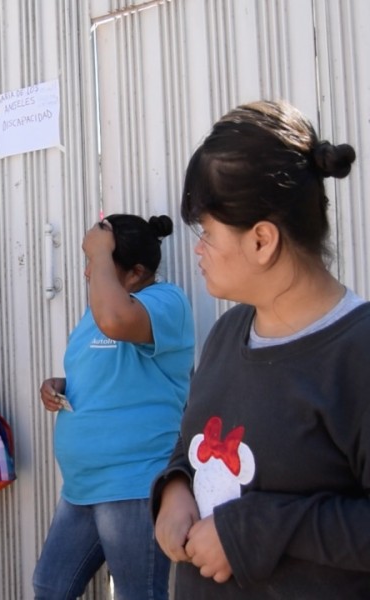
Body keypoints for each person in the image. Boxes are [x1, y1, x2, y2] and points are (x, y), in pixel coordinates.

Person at [152, 100, 370, 598]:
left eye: (206, 232)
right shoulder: (228, 334)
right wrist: (174, 489)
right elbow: (190, 451)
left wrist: (254, 530)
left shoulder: (357, 354)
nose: (198, 249)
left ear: (262, 241)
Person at [33, 214, 195, 600]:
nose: (89, 272)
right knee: (50, 587)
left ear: (137, 272)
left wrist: (101, 248)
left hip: (133, 484)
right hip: (82, 486)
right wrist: (62, 385)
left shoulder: (166, 301)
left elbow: (117, 321)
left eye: (99, 261)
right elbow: (109, 371)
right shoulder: (98, 312)